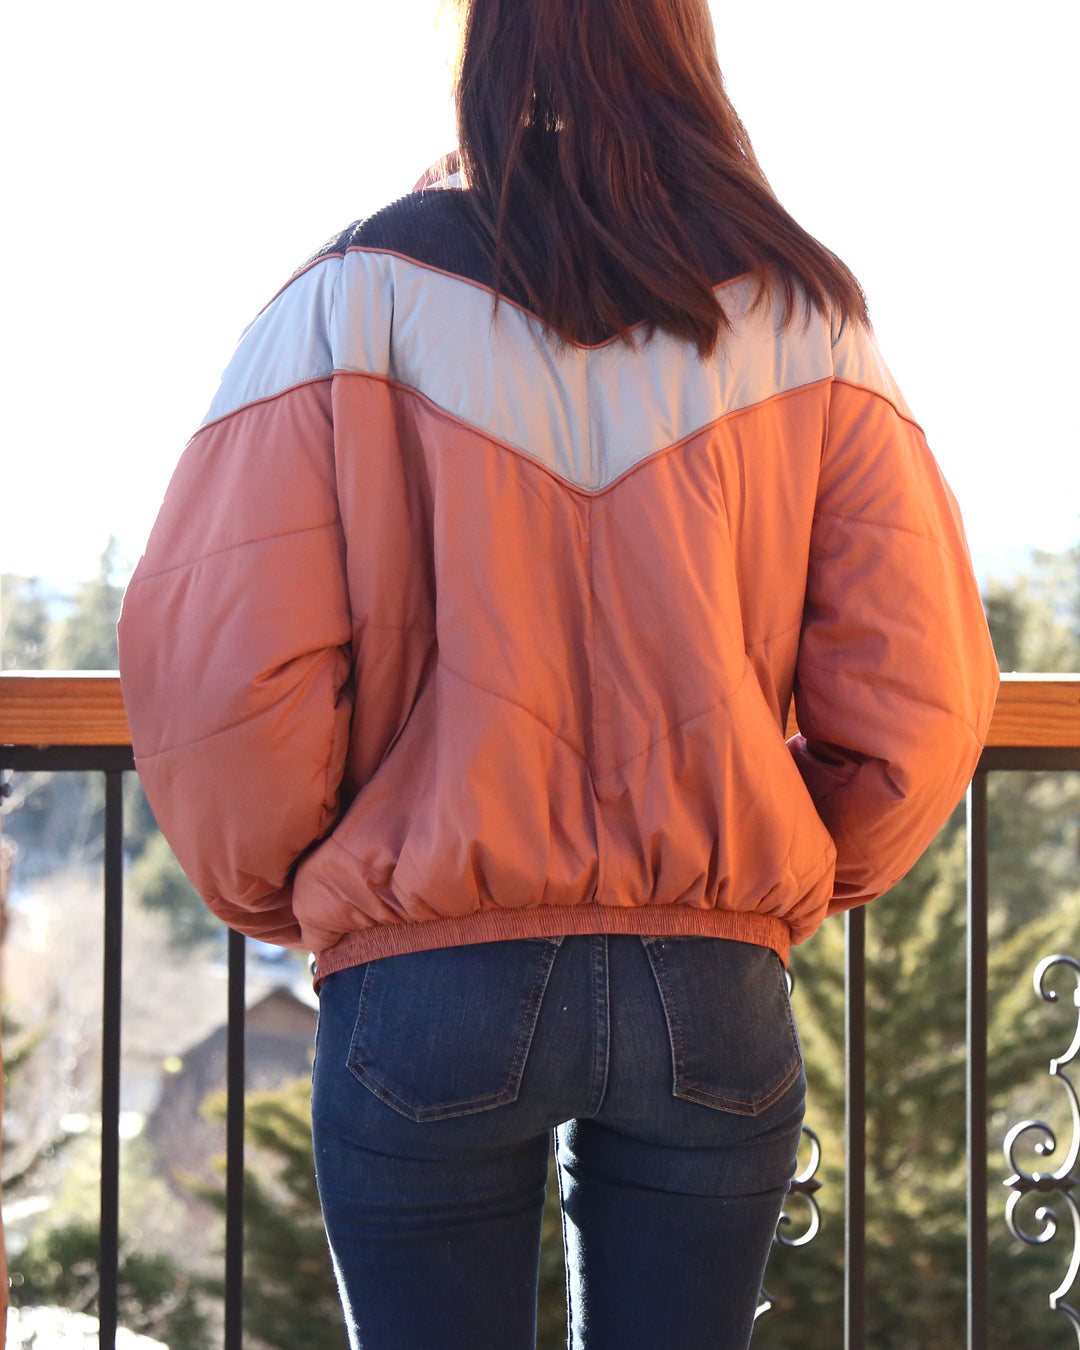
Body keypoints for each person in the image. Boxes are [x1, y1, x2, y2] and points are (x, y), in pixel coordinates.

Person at [117, 0, 1000, 1345]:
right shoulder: (806, 311)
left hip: (424, 978)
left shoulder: (349, 294)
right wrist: (794, 859)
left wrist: (299, 882)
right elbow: (923, 676)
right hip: (709, 977)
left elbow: (220, 662)